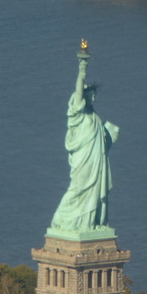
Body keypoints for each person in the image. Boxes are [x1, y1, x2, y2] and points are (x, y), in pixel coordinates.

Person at [51, 43, 118, 232]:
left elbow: (99, 143)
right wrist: (82, 69)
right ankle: (62, 219)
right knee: (78, 188)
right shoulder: (78, 113)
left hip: (96, 159)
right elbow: (79, 90)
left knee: (94, 190)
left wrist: (109, 138)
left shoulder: (93, 115)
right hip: (83, 159)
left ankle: (91, 223)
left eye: (95, 96)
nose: (94, 99)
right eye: (92, 96)